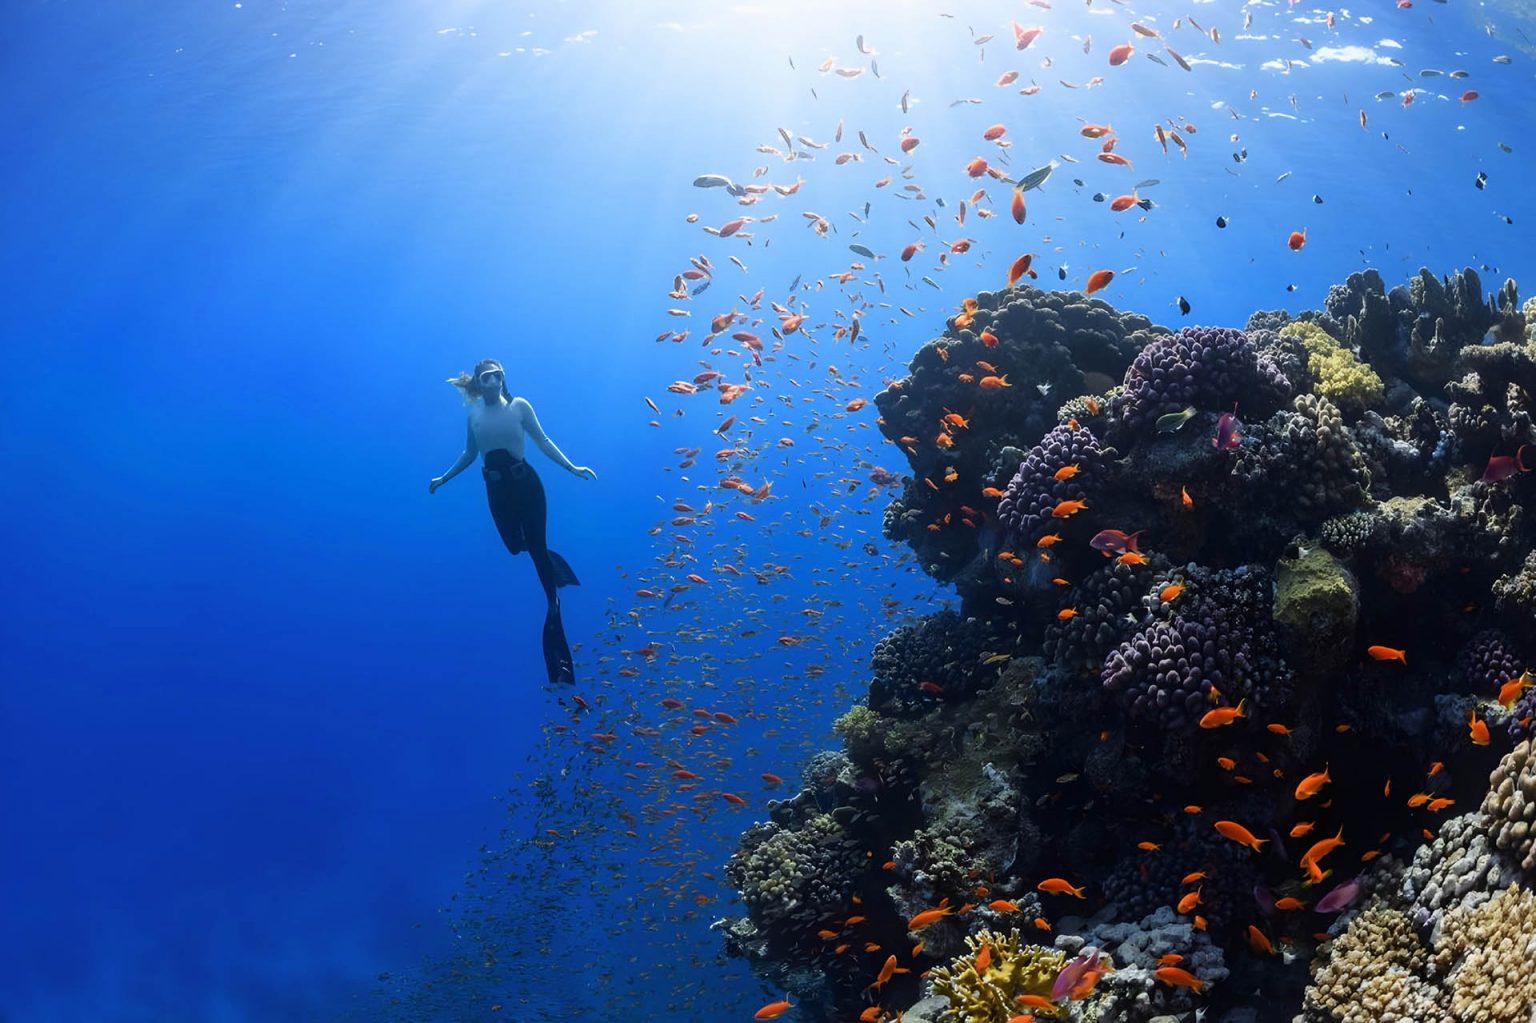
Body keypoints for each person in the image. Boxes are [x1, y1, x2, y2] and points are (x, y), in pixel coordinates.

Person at [430, 359, 597, 683]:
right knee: (513, 547)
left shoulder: (519, 406)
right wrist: (443, 478)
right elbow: (468, 455)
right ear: (478, 383)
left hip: (527, 486)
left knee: (535, 548)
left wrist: (572, 468)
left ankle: (552, 603)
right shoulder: (474, 416)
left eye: (497, 375)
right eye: (486, 376)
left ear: (503, 379)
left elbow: (543, 441)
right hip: (496, 490)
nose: (492, 380)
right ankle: (548, 560)